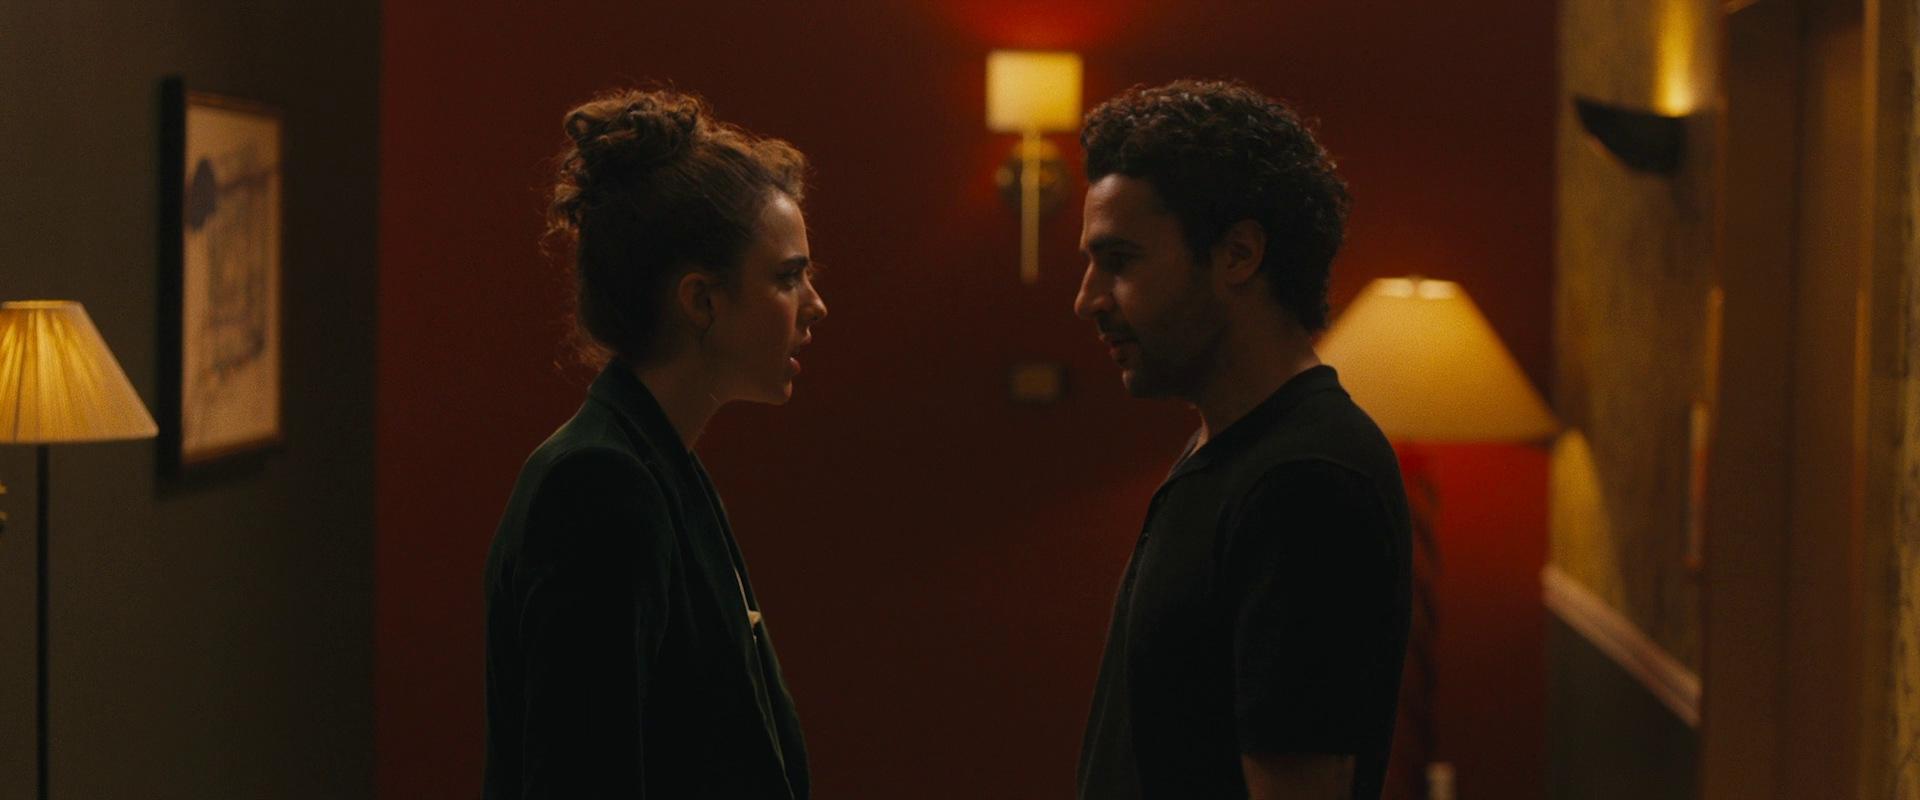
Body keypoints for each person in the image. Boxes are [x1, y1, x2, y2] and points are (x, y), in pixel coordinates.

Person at [1071, 80, 1412, 800]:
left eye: (1120, 260)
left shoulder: (1305, 482)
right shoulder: (1225, 446)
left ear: (1238, 254)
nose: (1088, 298)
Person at [482, 88, 825, 799]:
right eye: (787, 277)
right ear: (702, 300)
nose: (814, 305)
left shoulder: (658, 461)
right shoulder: (600, 485)